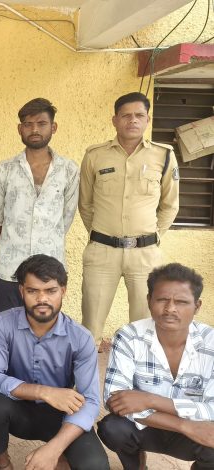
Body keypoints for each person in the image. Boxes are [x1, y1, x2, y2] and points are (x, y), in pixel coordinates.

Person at [0, 254, 109, 470]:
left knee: (95, 465)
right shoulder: (3, 324)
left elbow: (91, 400)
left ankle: (62, 457)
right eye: (33, 291)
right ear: (21, 291)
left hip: (61, 413)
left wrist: (54, 449)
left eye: (51, 291)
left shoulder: (81, 337)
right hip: (18, 407)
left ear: (63, 291)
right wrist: (43, 392)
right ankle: (3, 464)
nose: (42, 299)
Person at [79, 92, 180, 346]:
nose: (132, 120)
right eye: (126, 115)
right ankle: (86, 373)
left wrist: (151, 236)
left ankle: (139, 372)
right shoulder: (95, 155)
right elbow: (85, 204)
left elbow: (169, 205)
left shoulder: (164, 156)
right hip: (102, 253)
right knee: (90, 327)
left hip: (145, 255)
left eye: (139, 115)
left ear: (147, 120)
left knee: (145, 329)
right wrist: (102, 233)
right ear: (115, 120)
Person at [98, 263, 214, 470]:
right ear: (149, 301)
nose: (170, 309)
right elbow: (114, 401)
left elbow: (212, 409)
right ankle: (136, 466)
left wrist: (149, 400)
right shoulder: (129, 336)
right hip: (148, 425)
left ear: (197, 306)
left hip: (195, 432)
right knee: (113, 428)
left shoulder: (211, 342)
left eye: (181, 302)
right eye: (162, 300)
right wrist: (183, 424)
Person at [0, 98, 79, 315]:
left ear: (53, 127)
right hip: (10, 269)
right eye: (28, 124)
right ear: (20, 129)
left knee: (46, 329)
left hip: (50, 272)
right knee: (7, 328)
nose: (34, 129)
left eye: (41, 123)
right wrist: (12, 245)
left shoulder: (68, 170)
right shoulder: (4, 170)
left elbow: (66, 217)